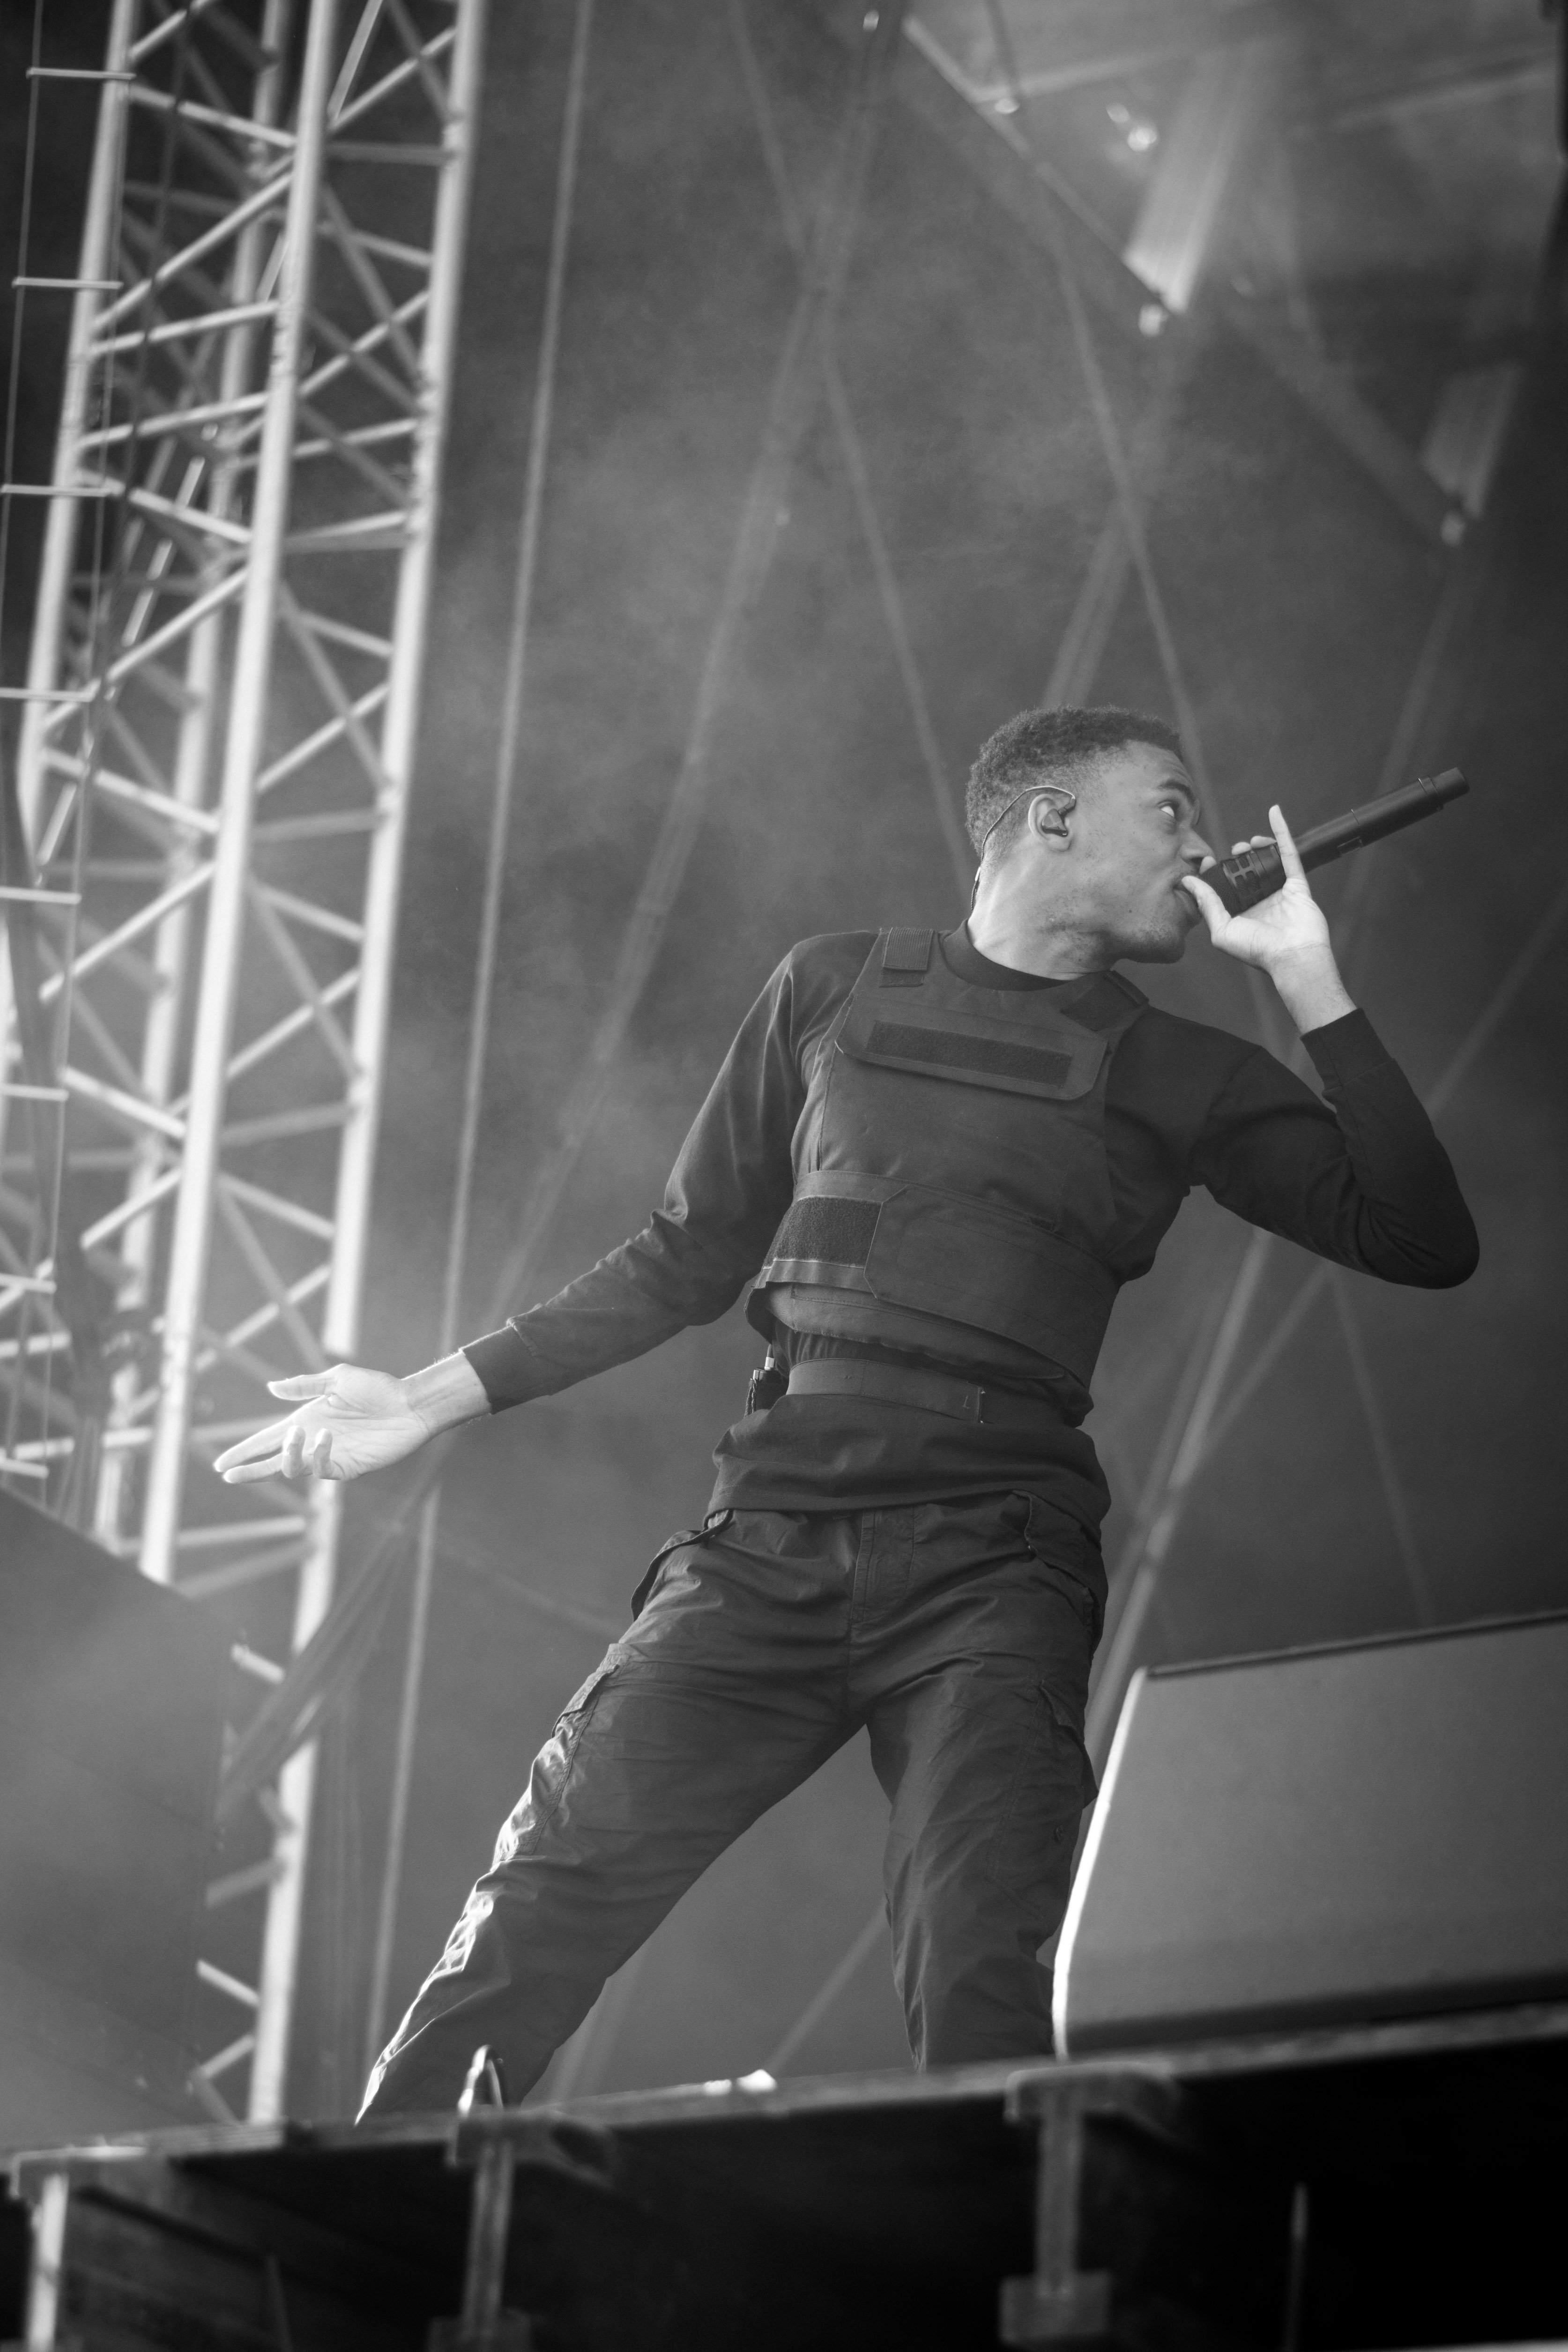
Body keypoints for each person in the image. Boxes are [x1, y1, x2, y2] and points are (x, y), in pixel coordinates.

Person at [216, 705, 1479, 2114]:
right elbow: (683, 1256)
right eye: (1172, 808)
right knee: (532, 1911)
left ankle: (1009, 2244)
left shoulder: (1185, 1071)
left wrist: (1307, 975)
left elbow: (1422, 1240)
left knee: (986, 1971)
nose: (1203, 844)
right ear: (1053, 817)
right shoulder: (830, 987)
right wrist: (425, 1397)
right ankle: (370, 2230)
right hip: (767, 1541)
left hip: (993, 1569)